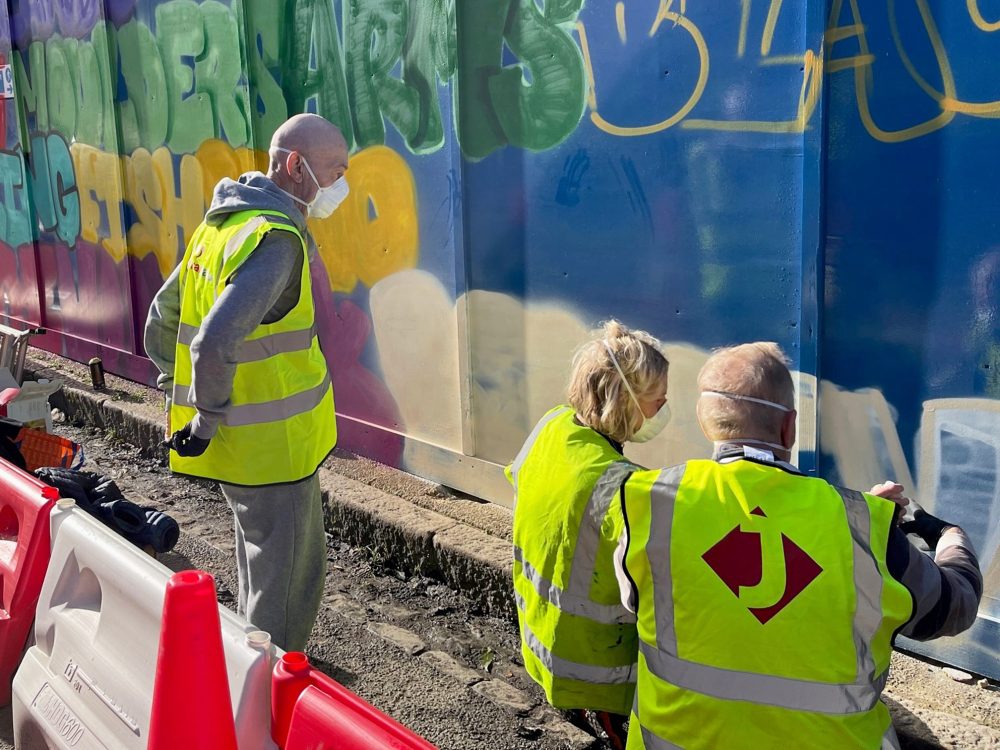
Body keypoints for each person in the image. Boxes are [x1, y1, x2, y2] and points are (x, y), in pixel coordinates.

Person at [616, 342, 982, 749]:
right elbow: (955, 607)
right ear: (789, 427)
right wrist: (943, 534)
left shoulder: (647, 502)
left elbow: (640, 602)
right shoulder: (864, 527)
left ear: (707, 423)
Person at [144, 114, 349, 651]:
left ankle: (243, 678)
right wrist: (207, 415)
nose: (340, 185)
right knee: (284, 592)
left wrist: (190, 399)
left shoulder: (221, 226)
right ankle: (263, 711)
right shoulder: (277, 240)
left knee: (257, 571)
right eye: (334, 170)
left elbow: (161, 321)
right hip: (274, 451)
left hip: (240, 446)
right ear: (294, 165)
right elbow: (211, 342)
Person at [506, 320, 671, 749]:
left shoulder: (551, 427)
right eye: (658, 402)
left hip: (541, 639)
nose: (663, 410)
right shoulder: (622, 484)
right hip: (599, 673)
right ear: (627, 403)